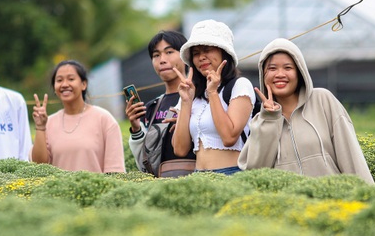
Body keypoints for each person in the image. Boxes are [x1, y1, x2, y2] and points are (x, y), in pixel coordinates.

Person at [238, 38, 374, 184]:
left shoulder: (322, 100)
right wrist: (270, 119)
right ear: (263, 76)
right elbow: (255, 172)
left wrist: (367, 193)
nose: (280, 74)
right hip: (292, 204)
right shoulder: (261, 121)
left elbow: (350, 154)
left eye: (288, 68)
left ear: (299, 72)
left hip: (336, 200)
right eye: (272, 68)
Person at [171, 20, 255, 175]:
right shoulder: (192, 92)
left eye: (207, 50)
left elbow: (229, 137)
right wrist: (186, 102)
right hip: (198, 176)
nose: (201, 57)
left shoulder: (240, 85)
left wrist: (213, 93)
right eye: (196, 53)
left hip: (231, 174)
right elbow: (180, 149)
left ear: (224, 52)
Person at [31, 60, 125, 173]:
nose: (65, 84)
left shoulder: (104, 119)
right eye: (59, 80)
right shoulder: (48, 122)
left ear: (83, 84)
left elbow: (115, 170)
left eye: (71, 79)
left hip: (97, 190)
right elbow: (39, 167)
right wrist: (40, 127)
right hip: (57, 190)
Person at [125, 30, 196, 174]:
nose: (162, 60)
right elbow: (145, 163)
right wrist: (136, 128)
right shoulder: (151, 107)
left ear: (185, 56)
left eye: (169, 52)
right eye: (156, 55)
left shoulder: (200, 98)